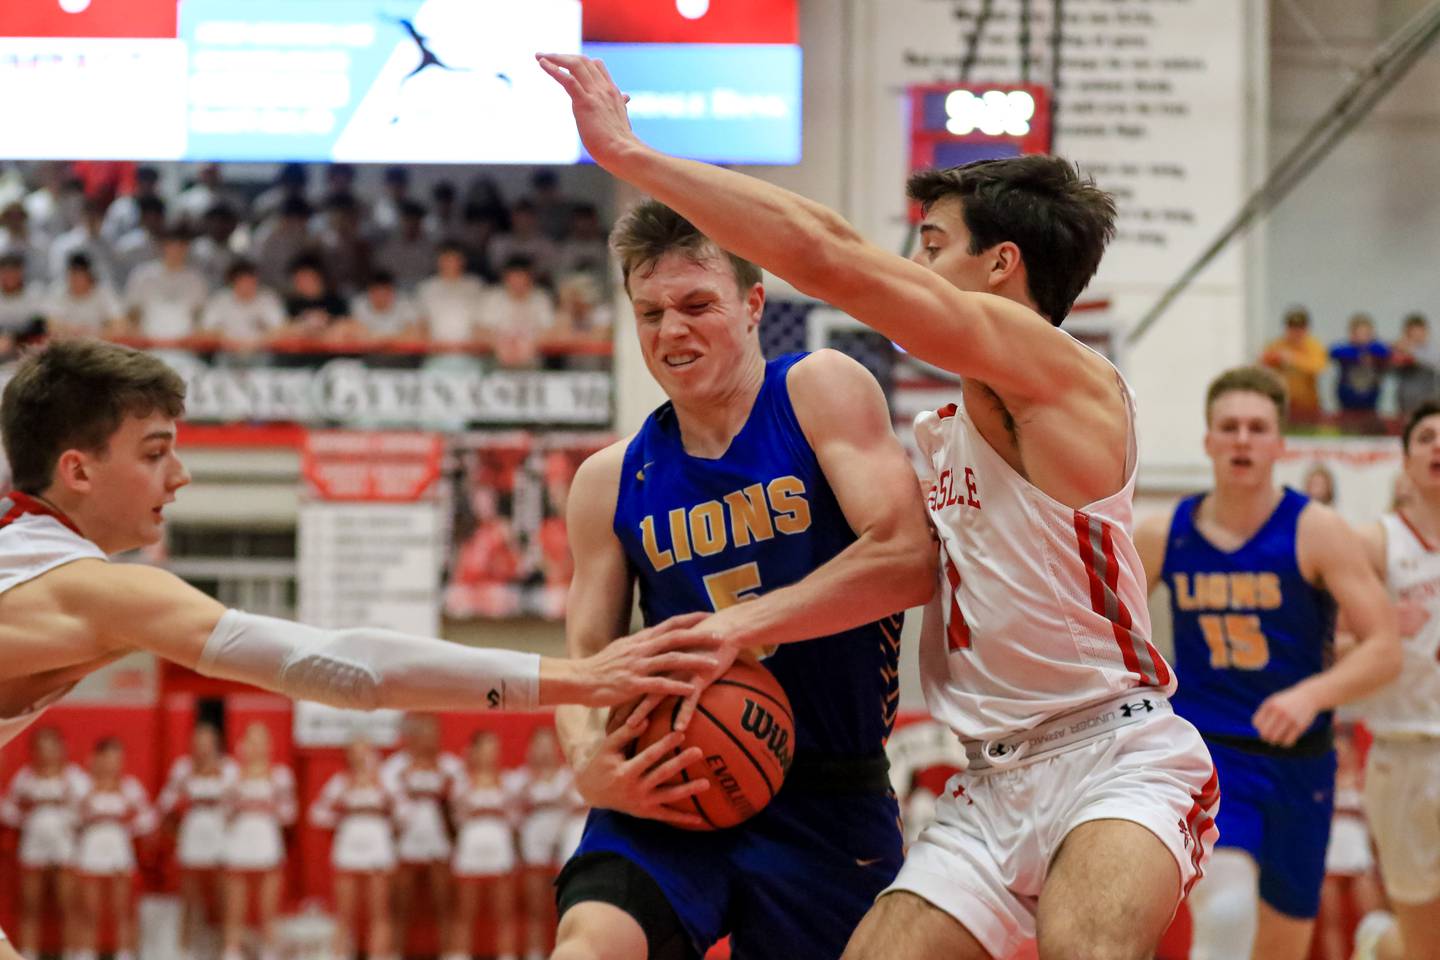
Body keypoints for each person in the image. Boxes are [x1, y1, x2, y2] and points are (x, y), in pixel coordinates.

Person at [541, 52, 1218, 960]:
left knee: (1084, 948)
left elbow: (826, 254)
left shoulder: (1060, 376)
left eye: (931, 245)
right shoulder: (947, 423)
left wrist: (630, 154)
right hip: (987, 778)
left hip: (1111, 754)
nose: (908, 263)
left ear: (1000, 264)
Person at [0, 337, 718, 956]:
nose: (180, 476)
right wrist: (581, 678)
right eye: (156, 454)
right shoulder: (88, 587)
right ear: (78, 470)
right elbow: (349, 668)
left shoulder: (35, 560)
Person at [541, 188, 934, 960]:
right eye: (651, 313)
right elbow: (585, 663)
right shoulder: (607, 480)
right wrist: (590, 763)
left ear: (754, 303)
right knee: (589, 947)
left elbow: (907, 558)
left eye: (696, 304)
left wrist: (735, 628)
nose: (672, 330)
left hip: (829, 791)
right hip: (673, 770)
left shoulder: (817, 389)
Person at [1133, 366, 1399, 960]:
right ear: (1208, 442)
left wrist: (1311, 694)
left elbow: (1384, 647)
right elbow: (1105, 633)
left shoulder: (1317, 531)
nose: (1243, 440)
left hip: (1300, 765)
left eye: (1258, 428)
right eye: (1229, 427)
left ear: (1280, 444)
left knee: (1282, 944)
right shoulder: (1163, 533)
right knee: (1225, 915)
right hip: (1211, 756)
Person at [1346, 399, 1440, 960]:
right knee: (1425, 945)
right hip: (1403, 752)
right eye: (1426, 437)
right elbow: (1321, 645)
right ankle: (1379, 943)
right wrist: (1376, 633)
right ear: (1404, 462)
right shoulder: (1374, 544)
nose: (1438, 446)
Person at [0, 727, 88, 960]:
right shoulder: (25, 777)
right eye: (42, 748)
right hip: (34, 843)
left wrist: (67, 812)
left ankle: (72, 954)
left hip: (64, 843)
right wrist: (25, 811)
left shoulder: (74, 777)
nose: (47, 753)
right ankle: (29, 953)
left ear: (61, 748)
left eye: (52, 747)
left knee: (68, 903)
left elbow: (87, 808)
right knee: (30, 904)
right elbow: (7, 809)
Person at [380, 713, 464, 957]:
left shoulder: (450, 766)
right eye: (424, 732)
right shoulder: (394, 767)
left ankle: (451, 953)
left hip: (440, 840)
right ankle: (394, 952)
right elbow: (389, 804)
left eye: (434, 732)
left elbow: (461, 804)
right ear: (410, 736)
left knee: (446, 901)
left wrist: (445, 794)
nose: (430, 738)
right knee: (399, 903)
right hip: (405, 841)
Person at [311, 736, 397, 960]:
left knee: (380, 911)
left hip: (378, 844)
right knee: (344, 911)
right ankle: (340, 954)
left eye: (364, 751)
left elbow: (404, 813)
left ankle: (378, 955)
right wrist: (342, 818)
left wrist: (385, 810)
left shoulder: (386, 781)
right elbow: (317, 813)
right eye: (355, 751)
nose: (359, 757)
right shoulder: (340, 782)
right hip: (349, 845)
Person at [157, 722, 238, 960]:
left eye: (207, 743)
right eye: (198, 743)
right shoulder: (183, 769)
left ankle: (225, 949)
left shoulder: (229, 769)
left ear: (217, 744)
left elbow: (238, 800)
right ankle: (184, 950)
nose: (202, 748)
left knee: (222, 895)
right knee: (189, 895)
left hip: (220, 833)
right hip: (193, 833)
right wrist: (175, 827)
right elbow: (164, 803)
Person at [71, 737, 155, 960]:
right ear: (97, 759)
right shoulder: (83, 786)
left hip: (118, 848)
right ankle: (85, 953)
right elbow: (71, 818)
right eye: (108, 758)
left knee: (123, 907)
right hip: (91, 848)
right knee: (89, 908)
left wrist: (128, 822)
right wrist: (90, 812)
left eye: (117, 759)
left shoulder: (130, 787)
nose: (113, 764)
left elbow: (148, 819)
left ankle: (124, 953)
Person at [220, 723, 295, 960]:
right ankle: (232, 949)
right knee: (235, 903)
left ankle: (269, 948)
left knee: (268, 905)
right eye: (251, 741)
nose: (256, 746)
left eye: (261, 741)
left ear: (269, 746)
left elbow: (289, 814)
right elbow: (224, 811)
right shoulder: (232, 773)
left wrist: (265, 805)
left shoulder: (280, 775)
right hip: (240, 837)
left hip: (266, 837)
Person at [447, 729, 520, 960]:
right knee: (464, 910)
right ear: (474, 751)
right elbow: (455, 816)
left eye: (495, 748)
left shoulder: (509, 781)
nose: (491, 753)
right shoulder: (461, 782)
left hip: (499, 845)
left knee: (504, 912)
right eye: (486, 747)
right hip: (471, 845)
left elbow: (515, 818)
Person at [512, 726, 573, 960]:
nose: (544, 751)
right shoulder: (520, 779)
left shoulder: (569, 777)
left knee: (566, 906)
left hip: (564, 844)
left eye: (548, 745)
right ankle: (534, 953)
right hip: (534, 843)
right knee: (535, 907)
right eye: (539, 746)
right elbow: (513, 816)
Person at [1329, 314, 1390, 428]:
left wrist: (1367, 350)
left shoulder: (1376, 349)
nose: (1362, 337)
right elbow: (1333, 352)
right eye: (1358, 334)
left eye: (1365, 334)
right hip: (1347, 401)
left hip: (1370, 401)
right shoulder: (1345, 349)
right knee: (1347, 428)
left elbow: (1385, 351)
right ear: (1352, 334)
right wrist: (1359, 355)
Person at [1388, 312, 1438, 417]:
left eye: (1418, 332)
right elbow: (1391, 372)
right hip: (1405, 404)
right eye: (1412, 333)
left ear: (1425, 331)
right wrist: (1393, 355)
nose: (1416, 336)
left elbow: (1434, 362)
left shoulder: (1432, 349)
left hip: (1428, 403)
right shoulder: (1400, 350)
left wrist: (1412, 352)